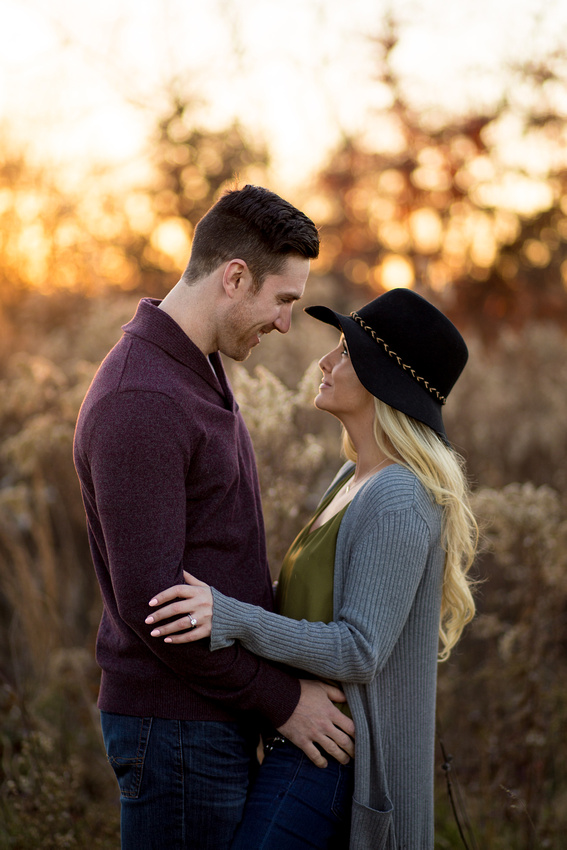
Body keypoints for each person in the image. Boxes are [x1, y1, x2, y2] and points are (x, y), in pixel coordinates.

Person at [73, 184, 356, 850]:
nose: (286, 324)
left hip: (205, 720)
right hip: (175, 732)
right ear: (234, 277)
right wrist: (282, 702)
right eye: (282, 300)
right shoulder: (141, 399)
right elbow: (155, 607)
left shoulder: (193, 366)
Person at [145, 287, 478, 850]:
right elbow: (304, 603)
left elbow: (358, 650)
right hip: (299, 740)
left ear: (385, 379)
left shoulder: (398, 496)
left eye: (346, 351)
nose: (324, 362)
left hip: (337, 760)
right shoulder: (350, 481)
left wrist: (232, 617)